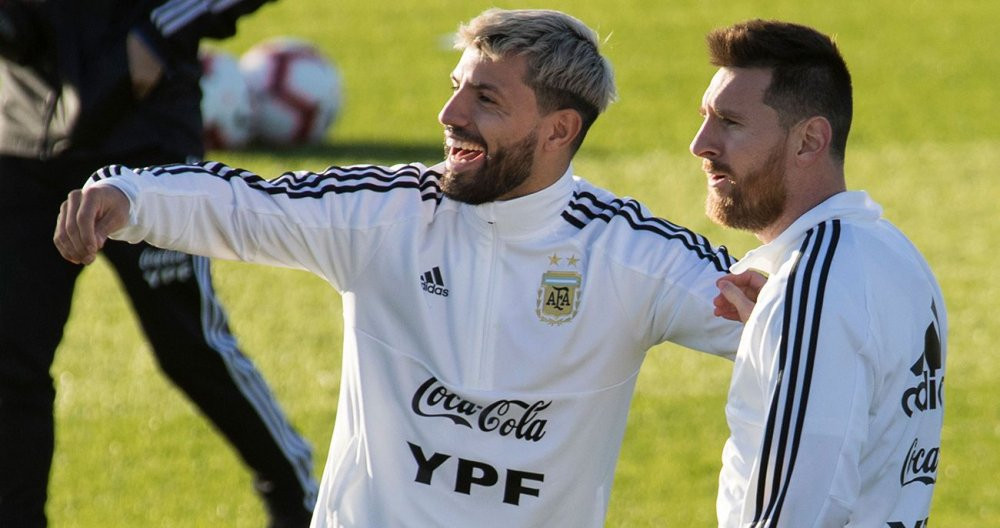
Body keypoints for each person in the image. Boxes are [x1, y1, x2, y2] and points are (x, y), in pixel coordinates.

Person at [54, 8, 744, 527]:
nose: (449, 115)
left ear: (560, 130)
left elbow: (771, 319)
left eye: (485, 100)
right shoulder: (390, 212)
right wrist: (130, 196)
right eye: (456, 89)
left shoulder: (629, 254)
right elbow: (248, 205)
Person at [0, 1, 317, 526]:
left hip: (141, 136)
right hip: (19, 136)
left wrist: (162, 28)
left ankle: (294, 493)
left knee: (188, 344)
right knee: (10, 357)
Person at [691, 19, 948, 527]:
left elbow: (803, 508)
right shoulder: (891, 252)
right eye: (704, 118)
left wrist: (797, 311)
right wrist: (778, 334)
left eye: (730, 122)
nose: (701, 144)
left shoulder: (817, 281)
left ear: (809, 140)